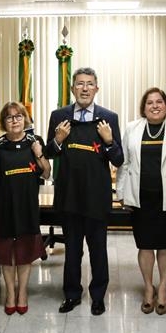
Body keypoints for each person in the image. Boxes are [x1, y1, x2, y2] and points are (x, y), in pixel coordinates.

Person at [45, 67, 123, 316]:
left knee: (98, 250)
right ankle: (71, 294)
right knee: (72, 250)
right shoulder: (59, 116)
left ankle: (98, 297)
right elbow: (49, 153)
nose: (85, 88)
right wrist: (58, 139)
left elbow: (119, 159)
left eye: (90, 84)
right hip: (69, 195)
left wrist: (109, 141)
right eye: (80, 84)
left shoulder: (108, 118)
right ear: (73, 89)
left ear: (96, 89)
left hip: (97, 196)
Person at [116, 88, 166, 315]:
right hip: (141, 198)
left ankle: (163, 288)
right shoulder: (132, 128)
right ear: (144, 107)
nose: (155, 106)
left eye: (159, 102)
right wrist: (122, 193)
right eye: (150, 102)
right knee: (145, 245)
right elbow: (125, 164)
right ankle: (148, 287)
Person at [0, 102, 50, 315]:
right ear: (4, 122)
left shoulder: (35, 142)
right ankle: (10, 293)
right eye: (9, 117)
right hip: (2, 205)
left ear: (25, 119)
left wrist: (39, 155)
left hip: (27, 204)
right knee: (5, 251)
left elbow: (46, 173)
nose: (14, 120)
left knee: (25, 249)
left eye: (18, 116)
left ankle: (22, 293)